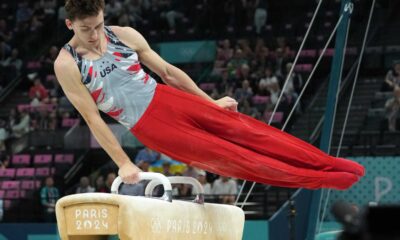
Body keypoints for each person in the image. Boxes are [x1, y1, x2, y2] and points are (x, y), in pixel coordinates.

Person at [54, 0, 365, 191]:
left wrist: (209, 102)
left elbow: (168, 72)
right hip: (150, 125)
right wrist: (123, 163)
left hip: (169, 98)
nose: (94, 34)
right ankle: (322, 179)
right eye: (85, 29)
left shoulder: (123, 34)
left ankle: (327, 163)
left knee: (251, 132)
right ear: (70, 24)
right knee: (237, 158)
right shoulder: (68, 64)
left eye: (97, 25)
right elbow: (92, 119)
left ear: (104, 13)